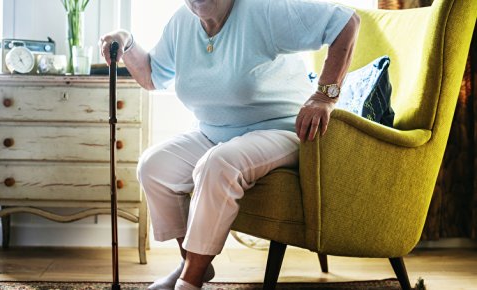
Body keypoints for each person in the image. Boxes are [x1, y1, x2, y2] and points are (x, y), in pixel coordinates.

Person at [99, 0, 360, 289]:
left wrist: (325, 96)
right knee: (154, 166)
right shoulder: (181, 23)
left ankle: (189, 281)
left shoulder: (265, 10)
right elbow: (151, 75)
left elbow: (346, 22)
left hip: (282, 129)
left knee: (218, 163)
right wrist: (126, 40)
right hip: (215, 132)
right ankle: (193, 263)